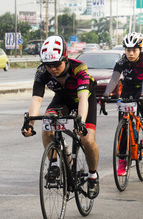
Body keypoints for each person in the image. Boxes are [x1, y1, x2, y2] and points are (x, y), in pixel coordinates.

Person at [22, 35, 100, 199]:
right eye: (48, 65)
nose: (52, 69)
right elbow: (36, 99)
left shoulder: (79, 68)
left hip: (84, 99)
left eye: (56, 64)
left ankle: (93, 176)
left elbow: (83, 100)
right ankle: (55, 164)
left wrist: (81, 122)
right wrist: (29, 123)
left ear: (65, 58)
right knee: (48, 124)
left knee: (87, 139)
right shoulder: (42, 72)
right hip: (63, 99)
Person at [103, 32, 143, 176]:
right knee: (123, 124)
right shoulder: (122, 61)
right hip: (128, 88)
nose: (131, 53)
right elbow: (114, 79)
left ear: (140, 49)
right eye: (128, 50)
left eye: (134, 50)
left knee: (142, 102)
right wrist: (105, 95)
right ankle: (122, 161)